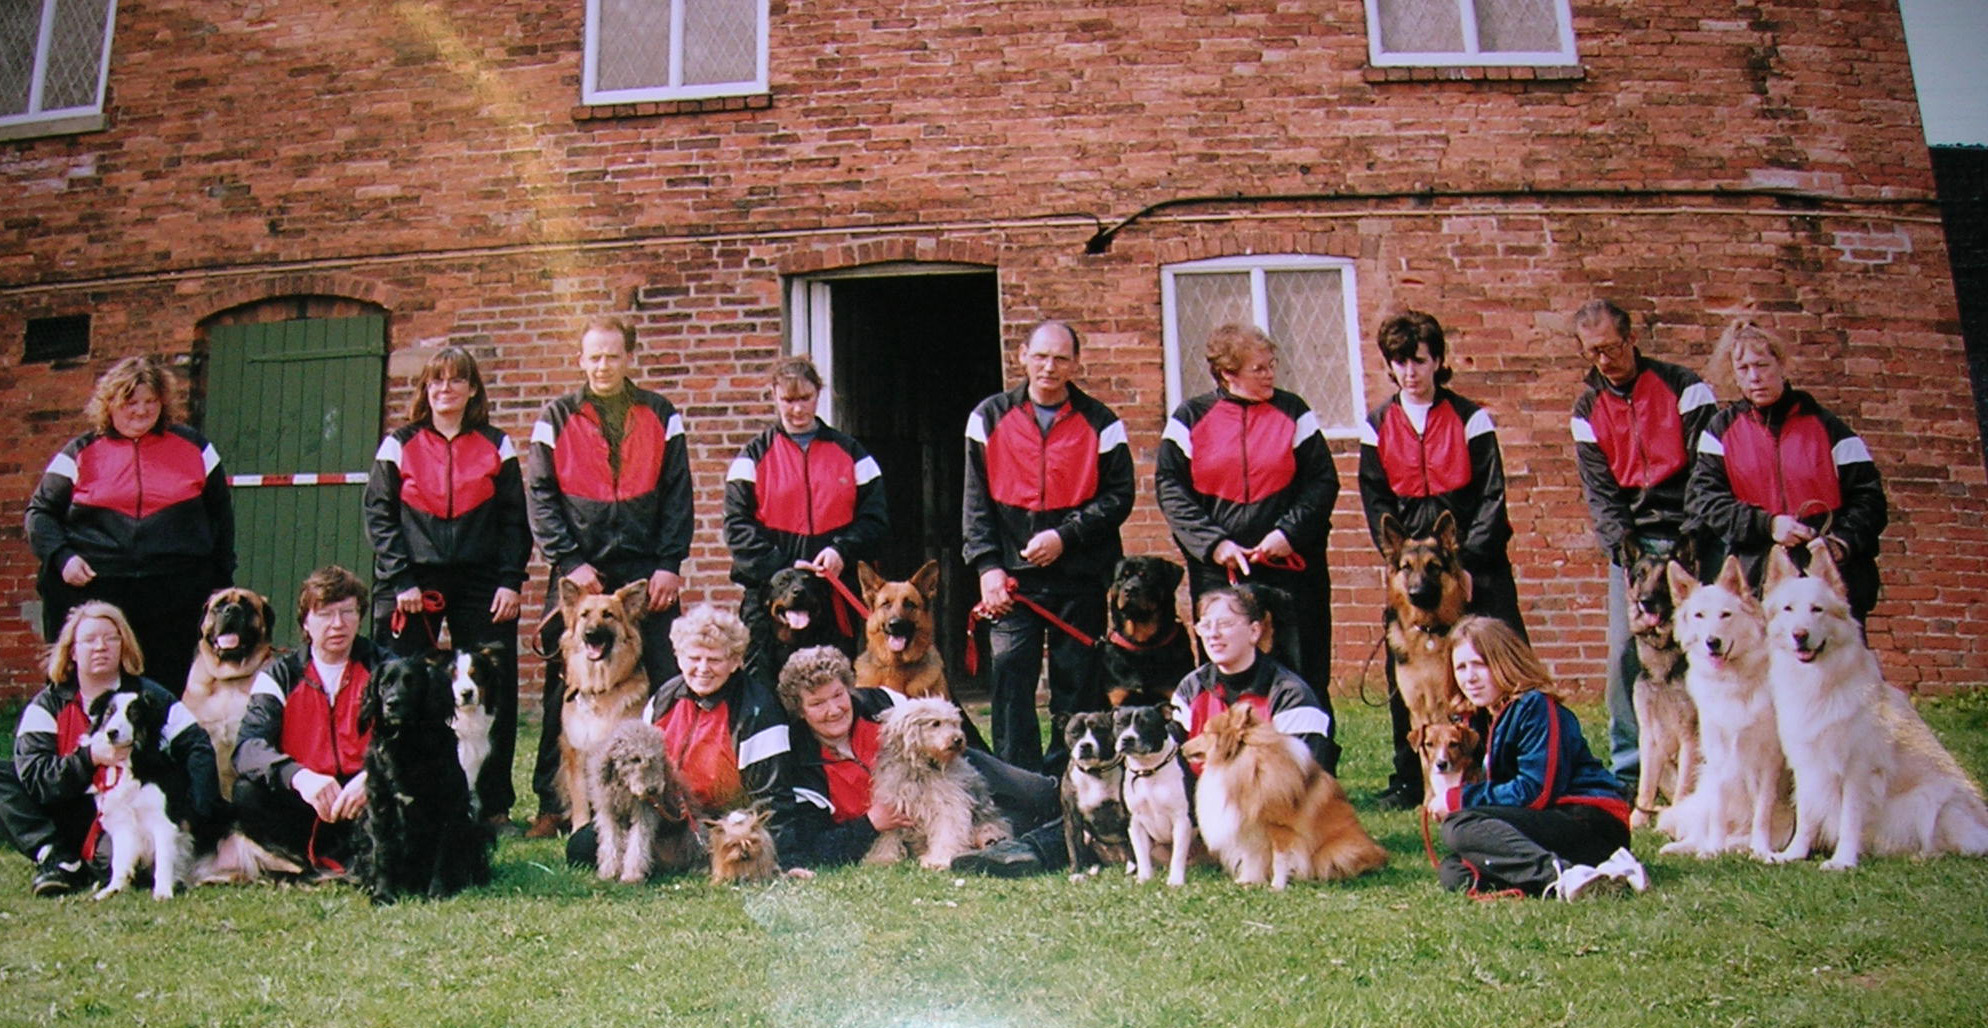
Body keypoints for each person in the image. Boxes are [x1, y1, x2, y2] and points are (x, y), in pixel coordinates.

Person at [525, 315, 694, 838]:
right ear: (581, 360)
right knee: (566, 687)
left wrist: (669, 563)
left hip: (646, 570)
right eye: (594, 356)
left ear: (628, 358)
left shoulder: (661, 414)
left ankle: (672, 797)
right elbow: (541, 497)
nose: (603, 365)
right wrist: (570, 561)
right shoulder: (556, 417)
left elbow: (677, 495)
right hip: (582, 570)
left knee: (671, 680)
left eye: (613, 356)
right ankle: (552, 804)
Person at [1359, 310, 1526, 810]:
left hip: (1473, 556)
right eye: (1400, 362)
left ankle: (1507, 767)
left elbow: (1492, 493)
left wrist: (1469, 561)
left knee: (1493, 667)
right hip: (1415, 562)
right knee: (1404, 678)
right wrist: (1402, 558)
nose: (1410, 372)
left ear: (1437, 362)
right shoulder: (1378, 424)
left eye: (1419, 361)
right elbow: (1375, 498)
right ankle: (1412, 778)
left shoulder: (1470, 417)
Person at [1154, 323, 1340, 771]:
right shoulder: (1189, 419)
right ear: (1227, 373)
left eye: (1272, 365)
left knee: (1304, 673)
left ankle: (1313, 774)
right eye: (1259, 368)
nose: (1270, 374)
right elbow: (1171, 488)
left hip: (1292, 569)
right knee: (1227, 673)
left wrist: (1286, 535)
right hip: (1222, 572)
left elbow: (1321, 482)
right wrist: (1214, 545)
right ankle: (1224, 774)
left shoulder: (1294, 412)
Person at [362, 346, 530, 827]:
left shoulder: (498, 444)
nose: (445, 389)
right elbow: (379, 515)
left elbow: (515, 520)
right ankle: (404, 790)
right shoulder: (399, 443)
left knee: (495, 688)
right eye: (436, 381)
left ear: (472, 389)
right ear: (425, 390)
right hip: (414, 581)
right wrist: (401, 580)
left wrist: (510, 581)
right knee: (404, 684)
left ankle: (494, 804)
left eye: (457, 380)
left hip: (483, 583)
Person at [962, 320, 1133, 774]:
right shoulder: (988, 418)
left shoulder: (1103, 423)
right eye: (1040, 356)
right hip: (1012, 584)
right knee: (1010, 679)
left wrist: (1066, 536)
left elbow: (1120, 497)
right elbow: (975, 503)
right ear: (1022, 356)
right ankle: (1018, 784)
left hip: (1080, 577)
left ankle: (1071, 781)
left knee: (1078, 686)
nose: (1049, 367)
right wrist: (987, 567)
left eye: (1060, 358)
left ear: (1076, 363)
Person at [1568, 299, 1717, 793]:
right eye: (1594, 352)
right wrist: (1627, 552)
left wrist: (1690, 540)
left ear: (1632, 339)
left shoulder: (1685, 387)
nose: (1604, 360)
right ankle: (1632, 768)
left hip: (1690, 537)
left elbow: (1707, 467)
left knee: (1701, 645)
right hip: (1635, 543)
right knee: (1624, 656)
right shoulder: (1587, 410)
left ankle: (1710, 758)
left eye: (1612, 347)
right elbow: (1601, 492)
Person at [25, 355, 235, 697]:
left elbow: (222, 519)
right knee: (83, 683)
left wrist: (220, 581)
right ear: (109, 405)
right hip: (97, 586)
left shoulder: (196, 448)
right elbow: (40, 513)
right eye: (130, 402)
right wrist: (62, 557)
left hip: (174, 591)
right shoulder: (80, 451)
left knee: (163, 689)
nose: (141, 411)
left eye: (150, 401)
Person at [775, 646, 1062, 874]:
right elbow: (814, 846)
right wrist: (870, 823)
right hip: (910, 824)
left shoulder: (881, 703)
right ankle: (1021, 849)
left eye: (838, 695)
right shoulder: (801, 767)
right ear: (800, 711)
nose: (834, 710)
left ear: (849, 688)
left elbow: (947, 724)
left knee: (1045, 796)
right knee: (1023, 821)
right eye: (817, 703)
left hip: (953, 770)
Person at [0, 602, 221, 897]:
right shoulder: (46, 705)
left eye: (111, 638)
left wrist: (194, 815)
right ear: (72, 651)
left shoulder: (151, 697)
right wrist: (89, 758)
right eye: (89, 640)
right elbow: (38, 780)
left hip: (126, 816)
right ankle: (55, 856)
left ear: (124, 646)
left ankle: (110, 866)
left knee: (111, 863)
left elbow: (198, 748)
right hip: (66, 809)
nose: (101, 647)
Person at [1428, 616, 1645, 900]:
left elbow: (1536, 791)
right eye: (1461, 667)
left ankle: (1563, 877)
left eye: (1480, 664)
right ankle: (1595, 876)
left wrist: (1458, 799)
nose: (1469, 677)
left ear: (1505, 662)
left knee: (1459, 826)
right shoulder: (1482, 717)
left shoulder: (1536, 706)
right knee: (1456, 871)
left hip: (1591, 822)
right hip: (1546, 822)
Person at [1685, 318, 1888, 620]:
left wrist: (1839, 544)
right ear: (1734, 376)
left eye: (1762, 365)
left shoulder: (1829, 428)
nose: (1755, 377)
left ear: (1781, 365)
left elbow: (1870, 502)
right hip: (1759, 580)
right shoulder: (1719, 433)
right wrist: (1767, 525)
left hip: (1828, 582)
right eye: (1744, 369)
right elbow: (1706, 501)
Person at [565, 604, 792, 868]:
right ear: (679, 657)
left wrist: (783, 857)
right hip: (667, 814)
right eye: (694, 658)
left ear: (734, 662)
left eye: (715, 660)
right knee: (581, 847)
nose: (703, 668)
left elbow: (773, 798)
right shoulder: (663, 698)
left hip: (723, 823)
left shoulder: (758, 710)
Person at [724, 355, 888, 682]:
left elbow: (876, 520)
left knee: (830, 686)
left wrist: (841, 550)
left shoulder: (853, 453)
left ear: (818, 394)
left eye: (804, 399)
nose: (797, 409)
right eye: (788, 400)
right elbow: (736, 527)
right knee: (764, 688)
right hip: (771, 599)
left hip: (831, 598)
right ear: (774, 395)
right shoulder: (752, 457)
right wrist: (782, 568)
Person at [232, 566, 382, 877]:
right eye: (326, 614)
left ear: (360, 616)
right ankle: (293, 859)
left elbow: (418, 738)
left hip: (366, 795)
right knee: (247, 792)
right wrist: (299, 777)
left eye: (347, 612)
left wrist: (374, 776)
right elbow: (247, 748)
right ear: (306, 621)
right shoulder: (279, 675)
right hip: (307, 797)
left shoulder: (384, 667)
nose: (338, 624)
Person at [1170, 587, 1337, 774]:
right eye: (1206, 626)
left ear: (1254, 631)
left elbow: (1303, 777)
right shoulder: (1190, 688)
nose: (1213, 634)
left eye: (1225, 624)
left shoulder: (1291, 696)